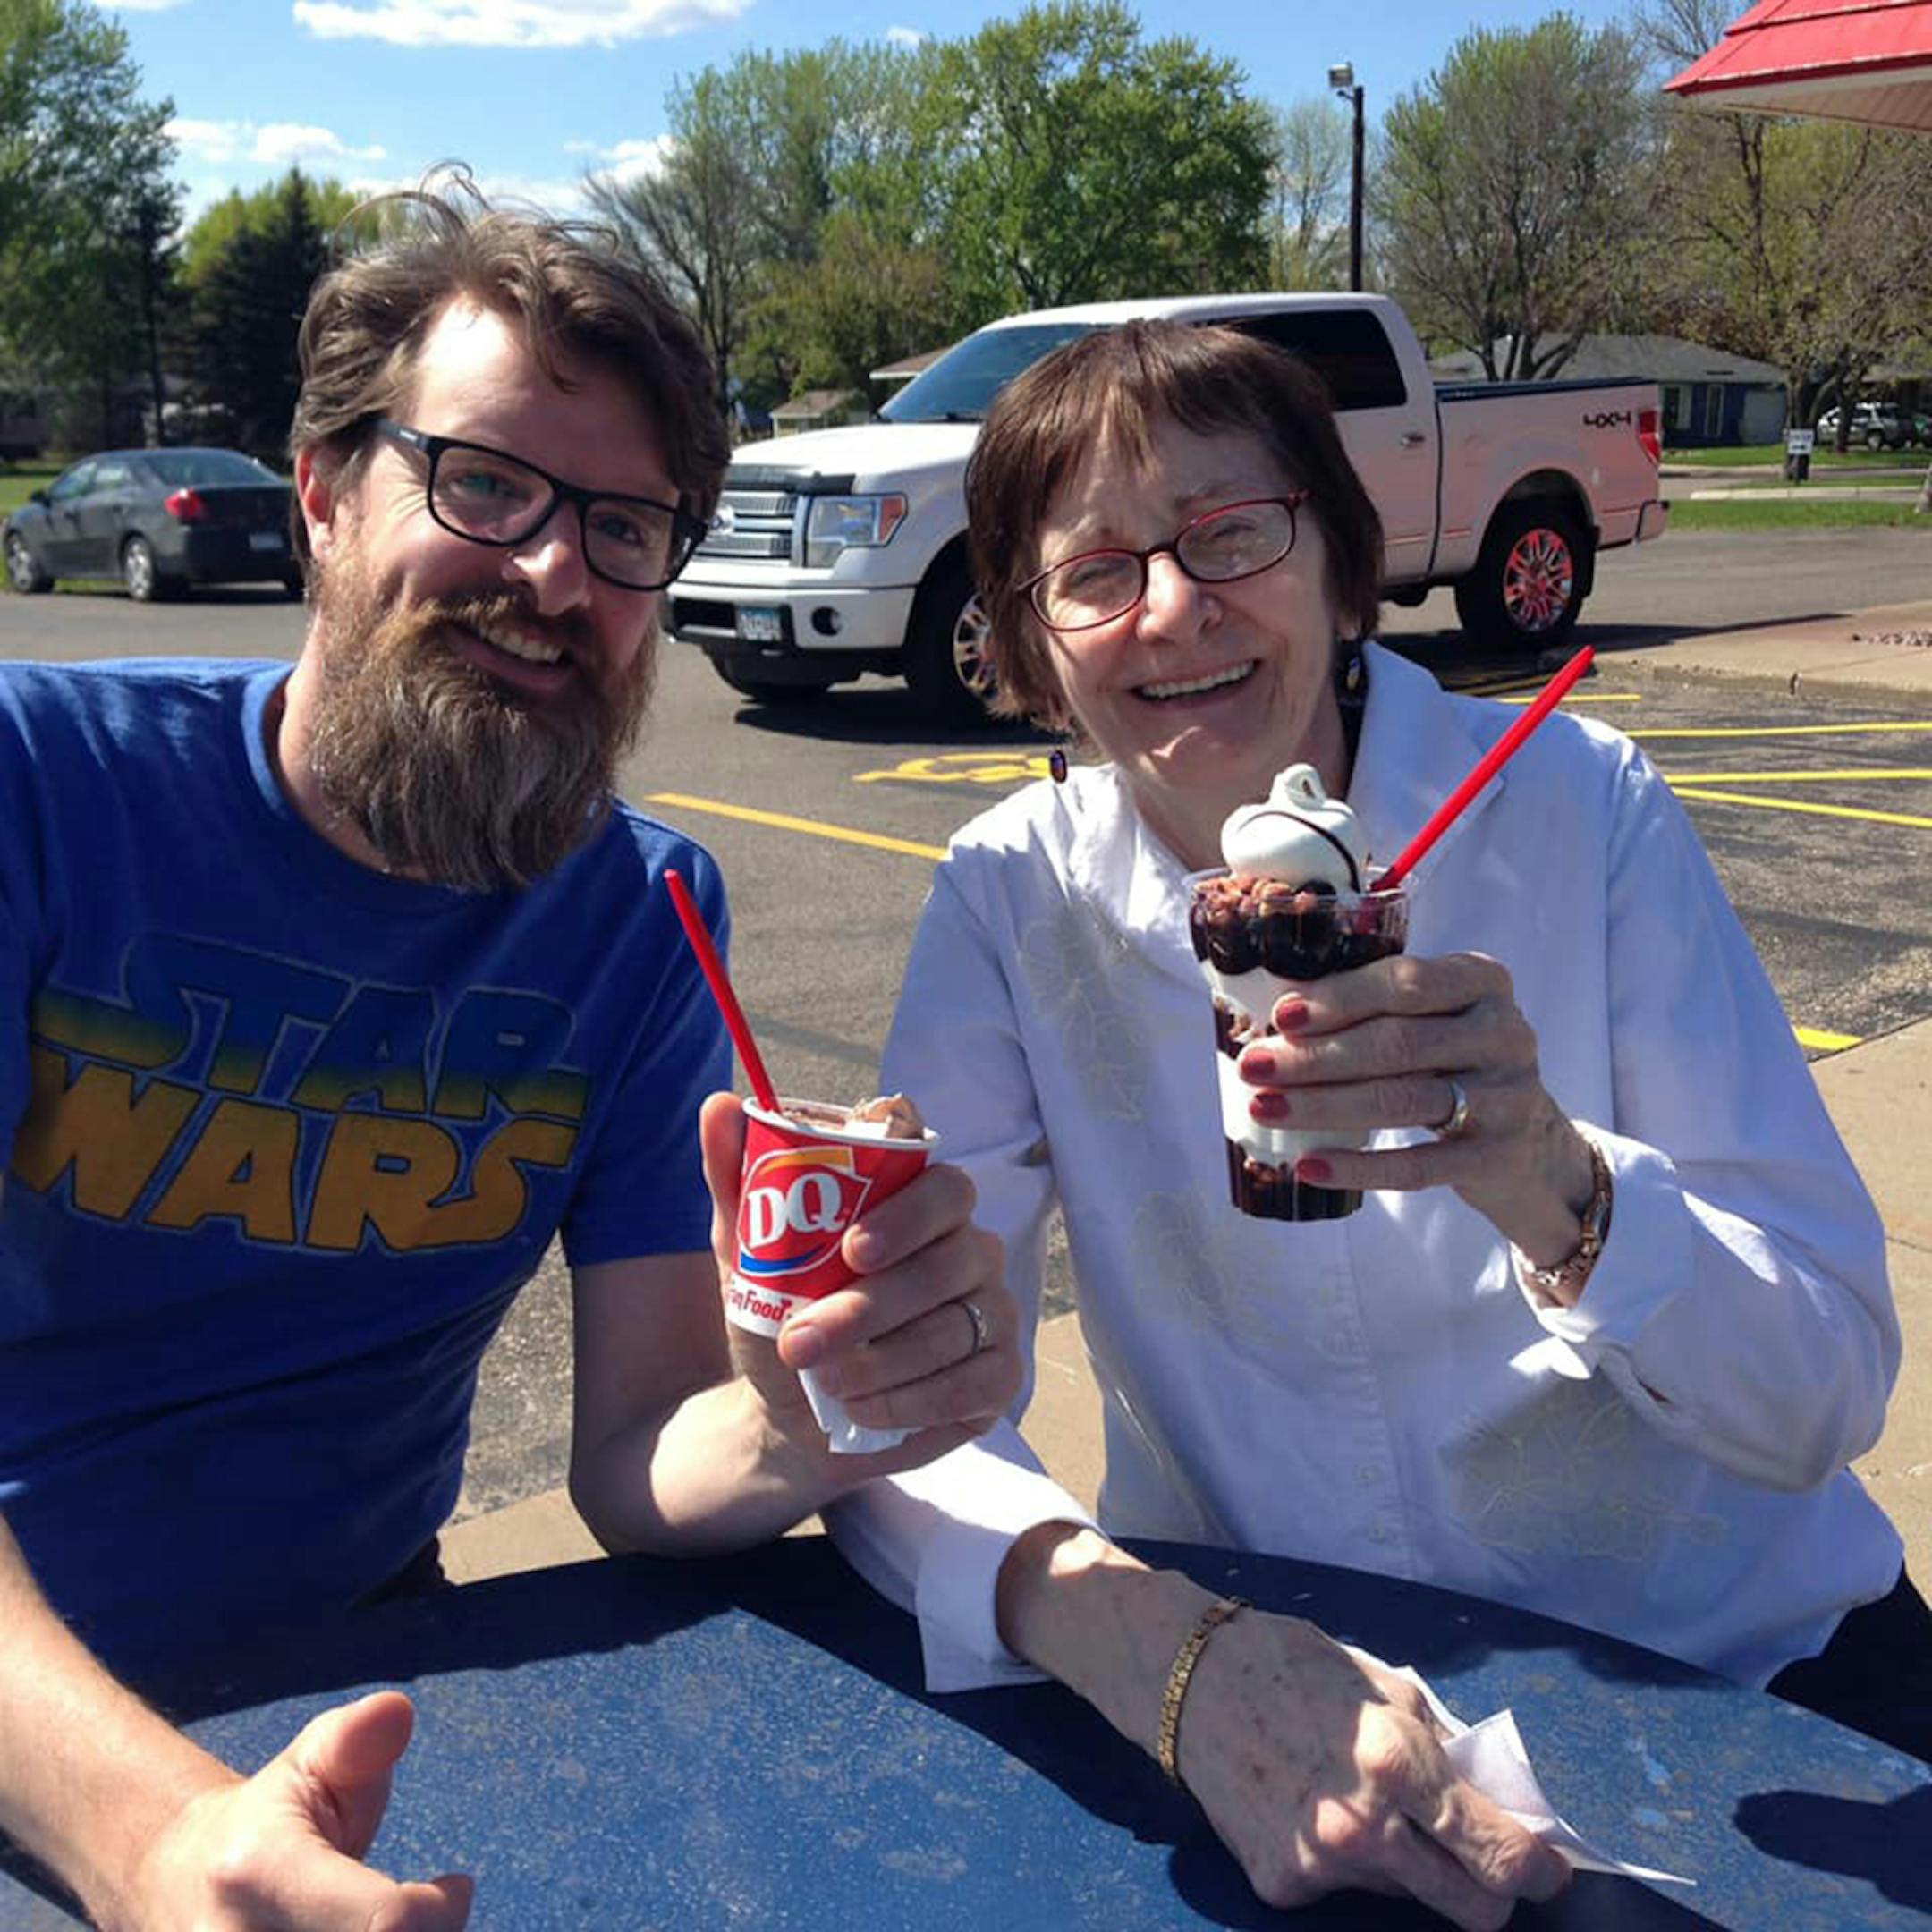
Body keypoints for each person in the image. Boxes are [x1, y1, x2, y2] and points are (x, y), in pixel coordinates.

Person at [0, 180, 1020, 1930]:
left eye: (630, 527)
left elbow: (634, 1454)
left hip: (363, 1685)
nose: (558, 572)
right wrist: (144, 1831)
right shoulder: (42, 788)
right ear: (324, 493)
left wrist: (806, 1418)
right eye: (488, 484)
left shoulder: (639, 919)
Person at [827, 319, 1928, 1929]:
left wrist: (1553, 1183)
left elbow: (1825, 1388)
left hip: (1747, 1672)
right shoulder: (1012, 895)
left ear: (1345, 572)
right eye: (1096, 571)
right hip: (1300, 1724)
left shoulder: (1577, 807)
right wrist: (1140, 1642)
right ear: (1028, 642)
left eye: (1232, 534)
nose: (1175, 608)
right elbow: (905, 1401)